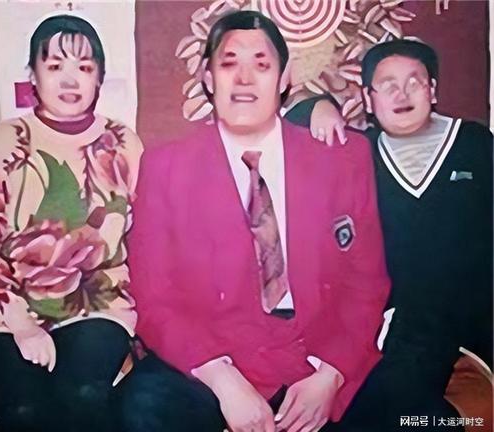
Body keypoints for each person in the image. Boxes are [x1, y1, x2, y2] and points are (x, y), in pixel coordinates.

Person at [119, 10, 390, 432]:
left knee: (427, 420)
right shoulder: (166, 168)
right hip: (214, 358)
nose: (244, 79)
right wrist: (222, 380)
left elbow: (366, 283)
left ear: (284, 79)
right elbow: (154, 297)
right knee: (138, 413)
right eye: (229, 64)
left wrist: (331, 374)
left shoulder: (344, 159)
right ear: (208, 78)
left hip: (319, 354)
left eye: (261, 65)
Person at [288, 38, 493, 431]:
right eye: (388, 85)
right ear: (368, 99)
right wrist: (319, 105)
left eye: (414, 82)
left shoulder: (474, 143)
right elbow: (286, 118)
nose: (402, 94)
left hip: (477, 313)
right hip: (405, 321)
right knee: (405, 412)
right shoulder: (359, 153)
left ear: (433, 91)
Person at [0, 14, 143, 432]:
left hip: (96, 303)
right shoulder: (0, 142)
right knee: (26, 413)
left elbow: (144, 235)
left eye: (84, 67)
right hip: (7, 309)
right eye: (55, 66)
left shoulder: (124, 144)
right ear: (33, 75)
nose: (70, 80)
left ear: (99, 77)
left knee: (83, 395)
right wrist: (22, 325)